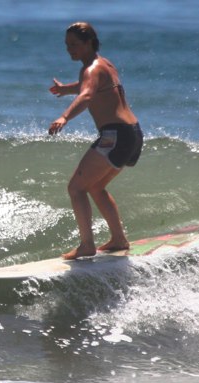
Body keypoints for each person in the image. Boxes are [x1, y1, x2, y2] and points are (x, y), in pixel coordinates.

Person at [48, 22, 143, 260]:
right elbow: (90, 87)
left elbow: (88, 94)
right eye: (67, 45)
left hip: (115, 135)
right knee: (95, 187)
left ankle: (86, 245)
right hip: (133, 133)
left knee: (76, 188)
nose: (70, 50)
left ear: (89, 42)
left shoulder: (90, 69)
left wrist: (64, 116)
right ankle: (118, 239)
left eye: (74, 45)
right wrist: (66, 90)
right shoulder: (105, 64)